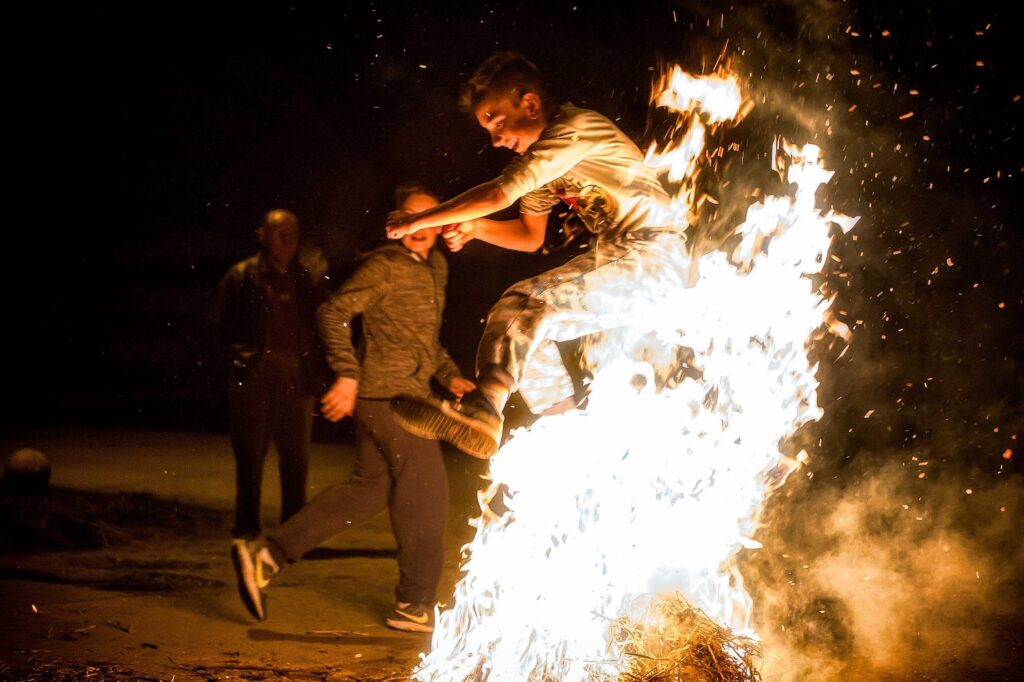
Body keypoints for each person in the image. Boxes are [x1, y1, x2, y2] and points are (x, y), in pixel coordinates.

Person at [386, 52, 686, 458]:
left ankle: (486, 406)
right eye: (487, 128)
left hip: (653, 255)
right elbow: (530, 236)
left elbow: (498, 193)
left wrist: (420, 220)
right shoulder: (546, 170)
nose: (494, 138)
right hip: (622, 260)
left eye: (496, 120)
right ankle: (564, 430)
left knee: (524, 306)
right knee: (526, 327)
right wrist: (477, 229)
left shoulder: (576, 128)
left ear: (529, 104)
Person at [230, 184, 474, 633]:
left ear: (440, 223)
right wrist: (347, 372)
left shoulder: (436, 267)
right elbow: (333, 313)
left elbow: (424, 339)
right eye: (410, 217)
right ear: (398, 224)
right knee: (427, 494)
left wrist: (449, 373)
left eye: (430, 218)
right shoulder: (384, 266)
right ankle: (414, 605)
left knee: (368, 490)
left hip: (405, 392)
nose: (421, 227)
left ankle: (267, 555)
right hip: (390, 399)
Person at [214, 209, 326, 541]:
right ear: (262, 235)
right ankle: (247, 527)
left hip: (295, 369)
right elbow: (218, 324)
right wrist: (239, 360)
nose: (287, 240)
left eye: (292, 232)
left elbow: (321, 319)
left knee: (296, 455)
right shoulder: (242, 275)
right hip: (253, 368)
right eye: (278, 232)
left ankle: (293, 530)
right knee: (249, 453)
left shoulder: (304, 277)